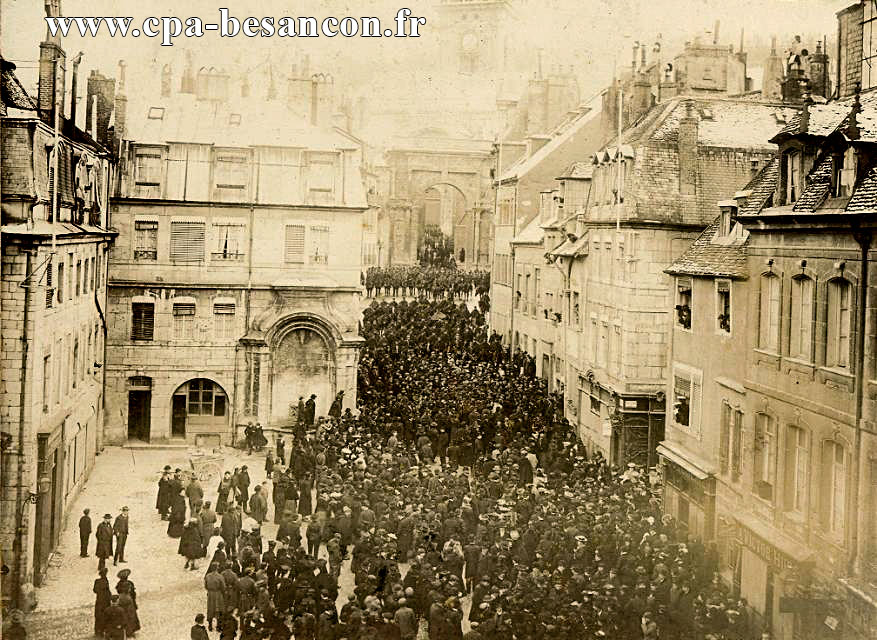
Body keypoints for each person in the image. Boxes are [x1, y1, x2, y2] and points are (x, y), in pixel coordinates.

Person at [204, 564, 226, 631]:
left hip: (210, 594)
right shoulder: (220, 576)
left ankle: (210, 626)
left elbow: (206, 586)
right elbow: (223, 586)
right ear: (217, 568)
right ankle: (218, 626)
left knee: (210, 609)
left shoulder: (207, 576)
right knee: (218, 609)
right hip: (218, 593)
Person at [93, 566, 111, 636]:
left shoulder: (97, 581)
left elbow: (94, 590)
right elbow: (108, 591)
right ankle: (103, 630)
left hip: (98, 600)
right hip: (105, 601)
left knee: (98, 616)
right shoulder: (106, 581)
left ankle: (97, 630)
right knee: (104, 616)